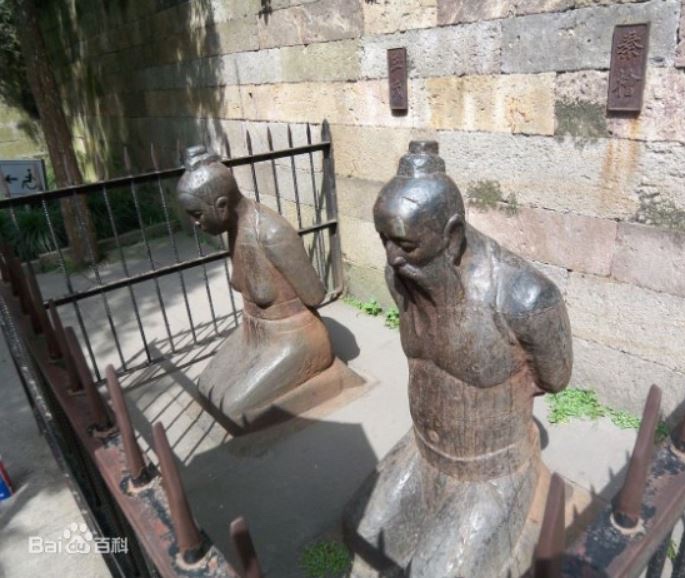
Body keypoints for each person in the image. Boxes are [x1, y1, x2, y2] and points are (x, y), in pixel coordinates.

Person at [343, 141, 573, 577]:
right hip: (423, 446)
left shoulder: (524, 298)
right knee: (363, 531)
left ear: (450, 237)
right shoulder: (403, 275)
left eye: (405, 245)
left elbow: (555, 377)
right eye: (384, 240)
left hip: (492, 468)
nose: (391, 257)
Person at [176, 145, 335, 428]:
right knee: (207, 387)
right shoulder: (234, 228)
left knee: (231, 405)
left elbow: (315, 295)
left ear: (221, 206)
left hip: (294, 338)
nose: (195, 223)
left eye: (197, 214)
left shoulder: (272, 232)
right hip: (254, 332)